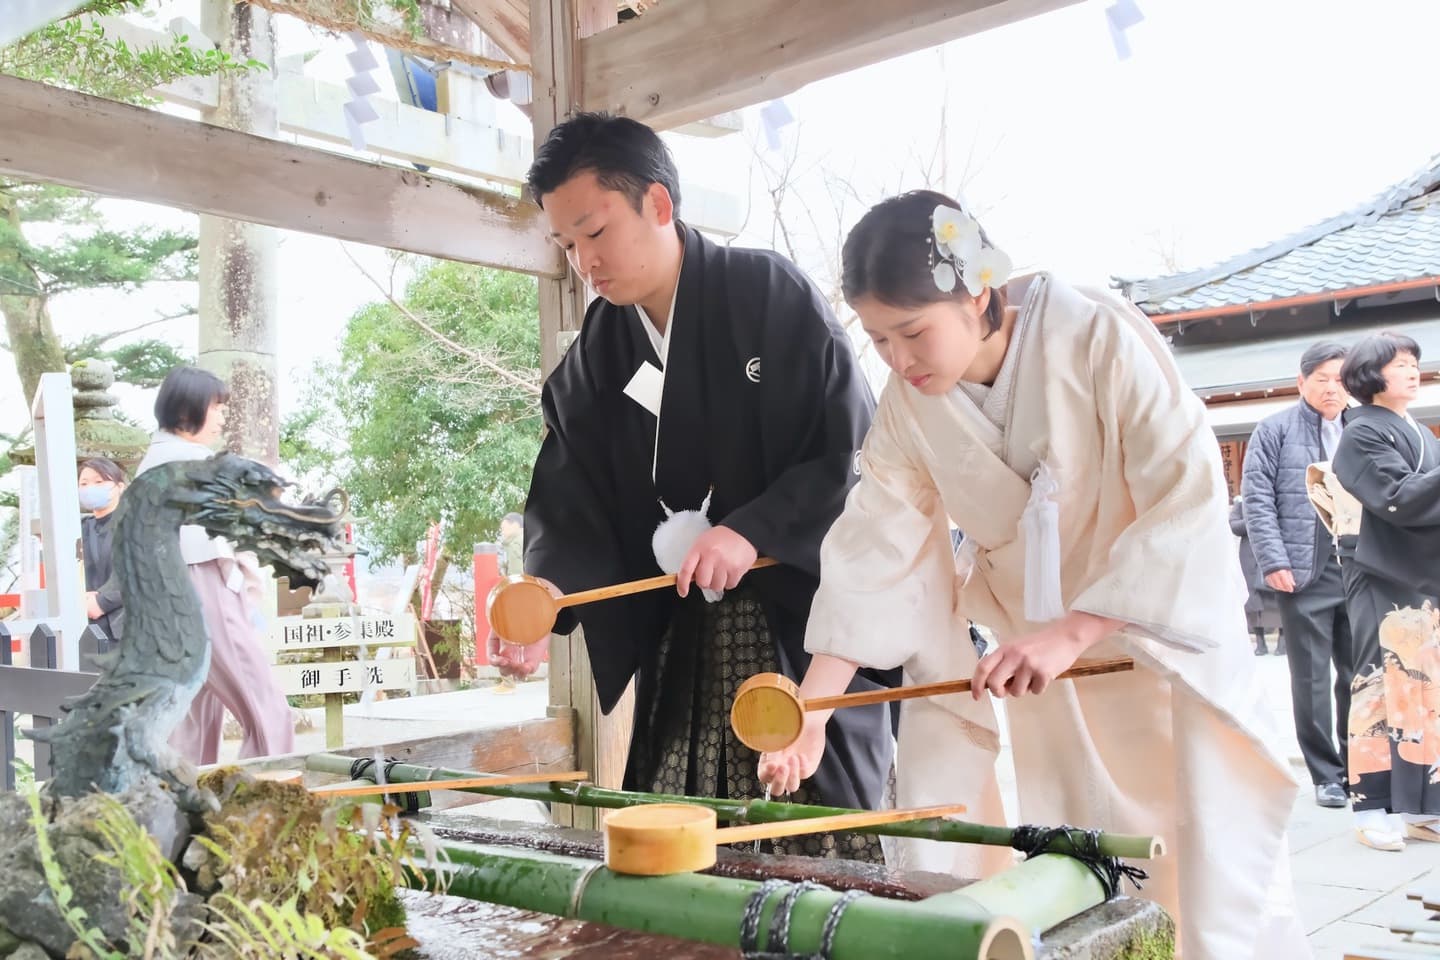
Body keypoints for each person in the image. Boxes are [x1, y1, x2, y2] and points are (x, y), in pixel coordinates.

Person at [759, 191, 1305, 959]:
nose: (900, 361)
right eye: (880, 341)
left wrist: (1075, 631)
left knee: (1198, 847)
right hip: (1043, 664)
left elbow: (1184, 493)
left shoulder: (1094, 334)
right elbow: (875, 546)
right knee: (1081, 847)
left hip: (1153, 639)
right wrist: (813, 710)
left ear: (976, 293)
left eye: (913, 332)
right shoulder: (910, 411)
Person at [494, 112, 892, 861]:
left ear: (659, 204)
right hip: (684, 630)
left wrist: (753, 530)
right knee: (679, 816)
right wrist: (550, 588)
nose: (585, 261)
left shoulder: (767, 295)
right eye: (567, 244)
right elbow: (570, 489)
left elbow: (848, 451)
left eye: (595, 232)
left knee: (810, 827)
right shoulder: (603, 350)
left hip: (793, 618)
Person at [136, 365, 294, 764]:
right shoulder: (191, 462)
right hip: (203, 581)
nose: (223, 416)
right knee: (267, 710)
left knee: (193, 718)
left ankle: (180, 813)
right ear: (188, 410)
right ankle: (270, 804)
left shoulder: (157, 461)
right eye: (217, 407)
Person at [1330, 332, 1440, 852]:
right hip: (1378, 570)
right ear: (1372, 375)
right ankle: (1371, 807)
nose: (1413, 370)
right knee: (1378, 685)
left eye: (1415, 362)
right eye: (1400, 364)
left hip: (1422, 571)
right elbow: (1394, 499)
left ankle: (1421, 807)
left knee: (1425, 691)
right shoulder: (1360, 434)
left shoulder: (1416, 430)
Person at [1241, 341, 1354, 808]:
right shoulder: (1274, 430)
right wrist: (1274, 561)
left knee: (1359, 675)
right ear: (1302, 380)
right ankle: (1326, 774)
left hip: (1361, 566)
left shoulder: (1363, 428)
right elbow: (1257, 500)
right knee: (1309, 678)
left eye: (1342, 379)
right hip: (1304, 571)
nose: (1333, 388)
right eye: (1323, 378)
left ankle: (1361, 766)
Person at [78, 456, 127, 642]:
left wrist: (102, 602)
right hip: (85, 626)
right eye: (84, 483)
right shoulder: (80, 528)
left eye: (99, 481)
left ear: (119, 487)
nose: (90, 488)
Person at [1229, 495, 1283, 656]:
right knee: (1253, 601)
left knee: (1277, 598)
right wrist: (1254, 521)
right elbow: (1234, 526)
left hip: (1273, 551)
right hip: (1249, 555)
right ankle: (1260, 642)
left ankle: (1283, 641)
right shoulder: (1241, 503)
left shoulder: (1275, 499)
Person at [498, 512, 524, 577]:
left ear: (515, 525)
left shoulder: (516, 543)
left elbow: (517, 574)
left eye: (503, 528)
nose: (502, 532)